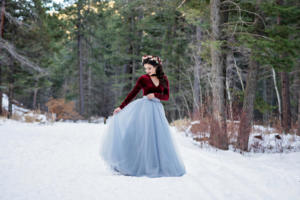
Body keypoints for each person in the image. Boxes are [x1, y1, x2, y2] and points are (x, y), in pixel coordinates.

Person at [99, 55, 186, 178]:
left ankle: (159, 165)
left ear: (156, 67)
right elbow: (133, 93)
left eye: (149, 68)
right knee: (144, 136)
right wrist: (121, 107)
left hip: (157, 110)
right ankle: (138, 164)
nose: (147, 71)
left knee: (159, 138)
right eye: (146, 68)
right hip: (144, 110)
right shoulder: (143, 79)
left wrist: (155, 95)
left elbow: (166, 96)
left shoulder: (164, 79)